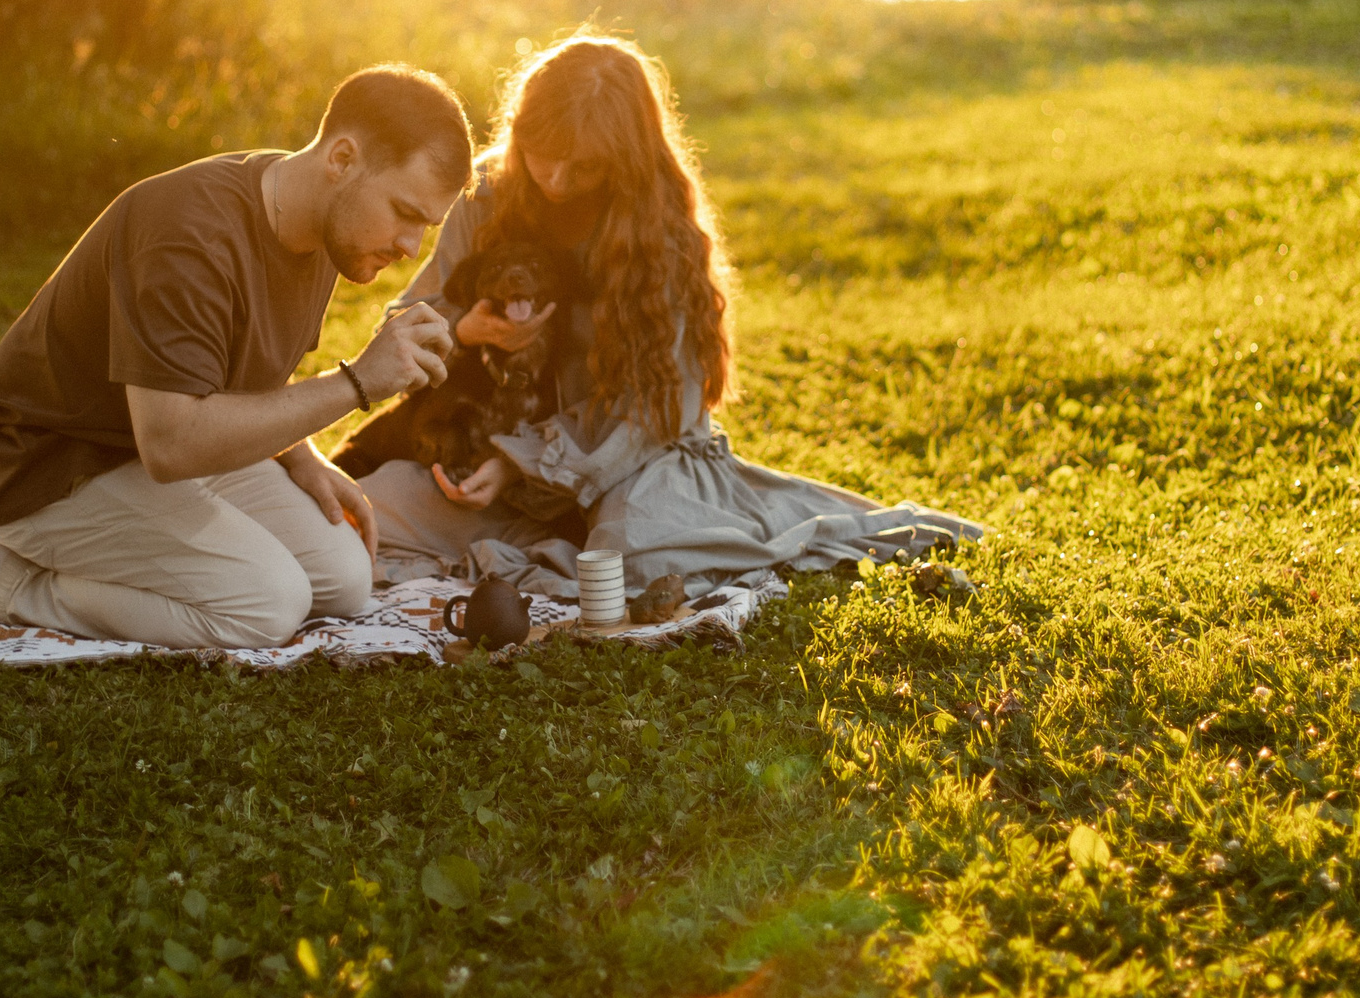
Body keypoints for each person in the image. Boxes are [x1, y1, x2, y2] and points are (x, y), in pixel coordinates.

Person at [361, 36, 978, 598]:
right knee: (373, 509)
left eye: (583, 165)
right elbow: (407, 319)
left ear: (624, 159)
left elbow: (655, 411)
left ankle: (580, 546)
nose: (553, 178)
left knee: (629, 554)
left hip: (628, 461)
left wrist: (520, 463)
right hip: (496, 451)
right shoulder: (488, 194)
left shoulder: (659, 233)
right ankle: (549, 548)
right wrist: (467, 330)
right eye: (541, 153)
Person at [0, 66, 470, 649]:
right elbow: (170, 443)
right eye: (406, 213)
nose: (412, 247)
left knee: (343, 580)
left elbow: (246, 369)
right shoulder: (188, 232)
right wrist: (357, 383)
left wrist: (303, 458)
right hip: (52, 464)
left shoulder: (318, 221)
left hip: (157, 445)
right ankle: (14, 584)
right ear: (341, 159)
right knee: (268, 605)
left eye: (426, 226)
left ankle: (113, 559)